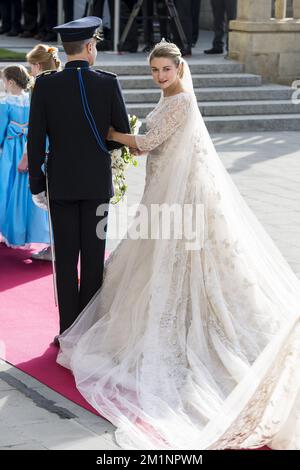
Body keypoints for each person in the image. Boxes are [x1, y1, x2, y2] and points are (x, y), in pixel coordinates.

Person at [57, 40, 300, 450]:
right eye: (154, 71)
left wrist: (113, 133)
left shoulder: (181, 101)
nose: (158, 77)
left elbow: (149, 143)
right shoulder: (168, 97)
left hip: (179, 193)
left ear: (179, 67)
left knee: (180, 255)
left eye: (164, 70)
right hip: (163, 186)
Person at [27, 16, 130, 345]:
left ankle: (68, 331)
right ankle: (89, 332)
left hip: (61, 184)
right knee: (93, 255)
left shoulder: (45, 84)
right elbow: (119, 136)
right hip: (96, 184)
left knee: (66, 258)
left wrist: (36, 184)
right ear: (89, 47)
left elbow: (35, 139)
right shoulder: (107, 82)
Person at [0, 65, 49, 247]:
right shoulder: (31, 101)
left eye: (4, 81)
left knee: (6, 186)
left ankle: (10, 231)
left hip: (11, 150)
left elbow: (0, 130)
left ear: (11, 82)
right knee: (23, 190)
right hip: (29, 148)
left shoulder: (5, 104)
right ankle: (25, 232)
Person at [24, 44, 62, 260]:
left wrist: (29, 157)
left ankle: (53, 247)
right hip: (61, 148)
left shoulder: (42, 85)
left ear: (38, 65)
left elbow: (36, 127)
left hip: (47, 148)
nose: (31, 72)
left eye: (31, 67)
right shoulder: (62, 80)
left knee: (51, 203)